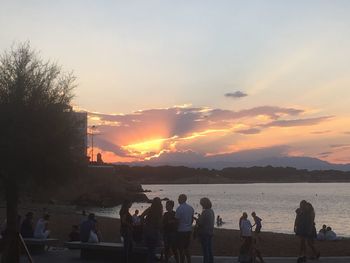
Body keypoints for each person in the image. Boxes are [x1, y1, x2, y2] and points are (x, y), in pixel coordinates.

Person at [141, 197, 163, 263]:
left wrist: (144, 224)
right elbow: (160, 223)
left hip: (148, 231)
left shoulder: (150, 209)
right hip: (154, 231)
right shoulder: (159, 211)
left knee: (150, 249)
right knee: (152, 249)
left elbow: (142, 216)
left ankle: (150, 260)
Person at [175, 194, 194, 263]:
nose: (178, 200)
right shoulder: (191, 208)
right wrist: (189, 225)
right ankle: (189, 261)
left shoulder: (179, 208)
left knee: (181, 248)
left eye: (179, 198)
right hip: (188, 230)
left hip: (181, 231)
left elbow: (177, 221)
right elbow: (192, 219)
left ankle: (182, 261)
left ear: (182, 199)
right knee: (186, 248)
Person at [198, 198, 214, 263]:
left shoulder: (205, 212)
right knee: (209, 249)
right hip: (210, 232)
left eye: (202, 204)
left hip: (204, 233)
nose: (201, 206)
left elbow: (200, 223)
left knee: (205, 250)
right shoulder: (211, 211)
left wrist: (198, 219)